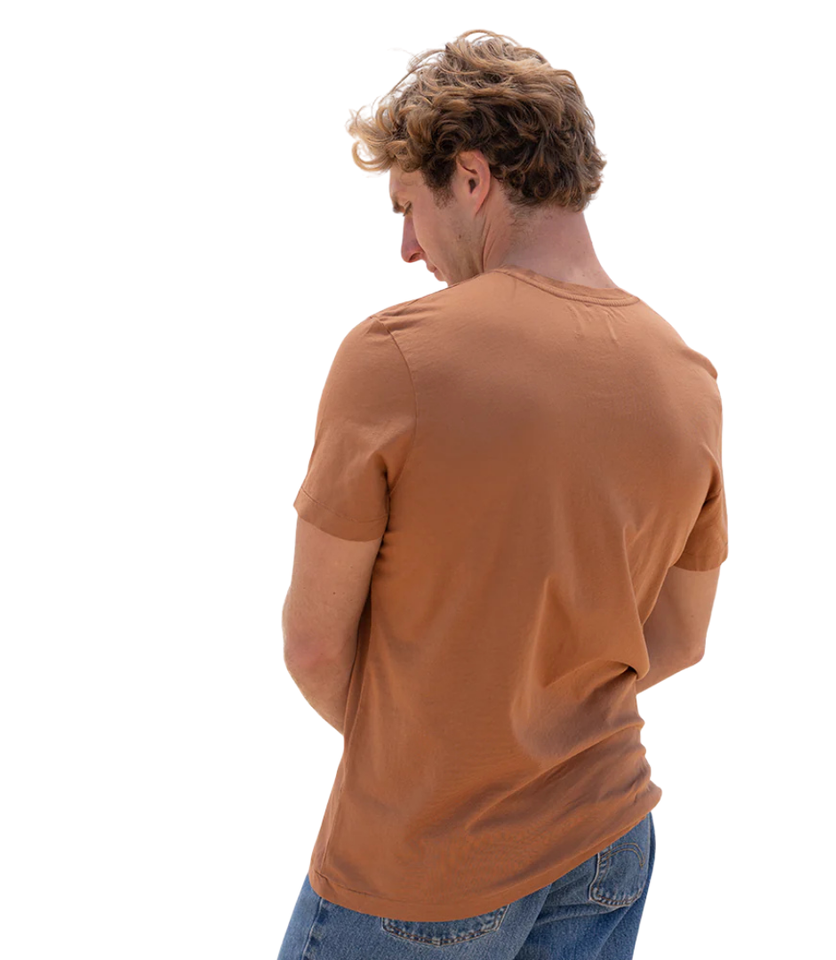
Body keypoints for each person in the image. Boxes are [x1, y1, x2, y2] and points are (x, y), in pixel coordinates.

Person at [277, 28, 728, 959]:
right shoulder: (686, 378)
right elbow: (681, 637)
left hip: (426, 858)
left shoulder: (396, 357)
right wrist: (535, 709)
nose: (408, 248)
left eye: (410, 206)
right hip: (609, 841)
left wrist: (448, 749)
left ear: (473, 178)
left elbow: (316, 645)